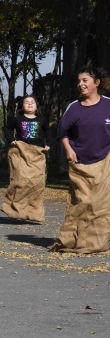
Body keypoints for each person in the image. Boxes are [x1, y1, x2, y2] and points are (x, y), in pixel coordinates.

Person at [51, 67, 110, 253]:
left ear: (96, 83)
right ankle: (72, 239)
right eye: (78, 81)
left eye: (85, 80)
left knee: (100, 204)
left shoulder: (108, 105)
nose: (81, 84)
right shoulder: (74, 107)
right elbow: (62, 133)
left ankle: (96, 243)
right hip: (79, 163)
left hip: (104, 162)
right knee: (82, 202)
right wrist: (68, 150)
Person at [1, 95, 52, 222]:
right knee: (21, 181)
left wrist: (49, 143)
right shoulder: (17, 119)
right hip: (22, 153)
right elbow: (6, 128)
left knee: (36, 183)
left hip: (37, 155)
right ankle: (16, 209)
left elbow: (48, 131)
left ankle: (34, 212)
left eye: (32, 102)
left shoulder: (41, 119)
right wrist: (11, 140)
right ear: (22, 106)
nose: (30, 104)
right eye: (26, 102)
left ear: (36, 106)